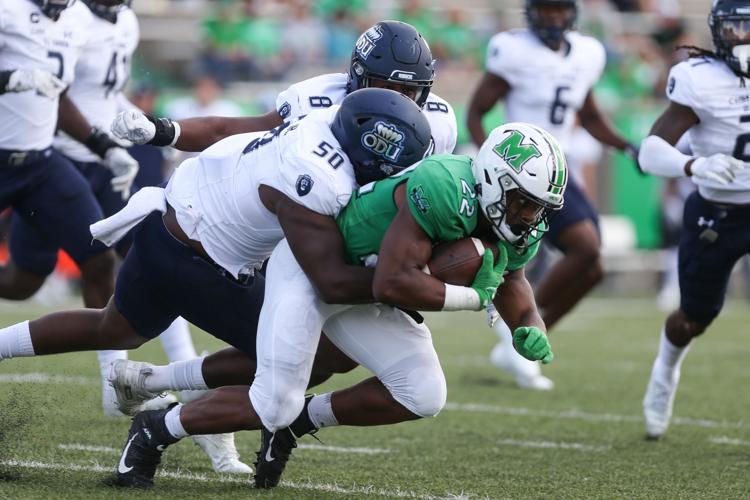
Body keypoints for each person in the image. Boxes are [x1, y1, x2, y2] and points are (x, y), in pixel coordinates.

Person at [0, 87, 433, 485]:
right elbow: (330, 281)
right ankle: (177, 409)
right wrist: (412, 284)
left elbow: (230, 129)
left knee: (113, 329)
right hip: (202, 262)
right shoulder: (319, 178)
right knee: (319, 357)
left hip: (170, 222)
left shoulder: (322, 117)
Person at [108, 122, 565, 489]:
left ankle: (300, 423)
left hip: (369, 290)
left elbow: (513, 280)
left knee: (423, 393)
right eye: (523, 203)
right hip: (316, 273)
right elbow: (392, 282)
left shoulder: (519, 224)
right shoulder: (444, 186)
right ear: (493, 180)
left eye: (538, 208)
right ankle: (158, 427)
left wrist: (530, 324)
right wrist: (473, 297)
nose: (530, 217)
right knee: (273, 404)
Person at [465, 0, 638, 390]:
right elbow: (476, 112)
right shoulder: (514, 50)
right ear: (531, 11)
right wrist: (491, 160)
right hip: (519, 172)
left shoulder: (586, 53)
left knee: (593, 264)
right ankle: (517, 326)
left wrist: (627, 146)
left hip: (558, 170)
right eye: (546, 9)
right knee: (585, 247)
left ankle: (523, 334)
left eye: (560, 9)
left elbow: (589, 116)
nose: (554, 17)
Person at [637, 0, 749, 440]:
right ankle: (665, 370)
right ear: (719, 32)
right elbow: (650, 152)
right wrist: (694, 166)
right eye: (737, 27)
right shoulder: (700, 79)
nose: (745, 36)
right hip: (717, 213)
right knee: (693, 318)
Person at [111, 20, 457, 159]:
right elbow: (233, 131)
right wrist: (164, 130)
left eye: (407, 91)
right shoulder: (317, 99)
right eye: (385, 86)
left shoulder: (439, 122)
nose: (394, 101)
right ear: (356, 76)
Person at [0, 1, 134, 315]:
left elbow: (58, 98)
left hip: (39, 164)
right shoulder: (8, 9)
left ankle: (106, 348)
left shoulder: (75, 19)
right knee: (22, 282)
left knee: (98, 259)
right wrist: (10, 80)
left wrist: (105, 148)